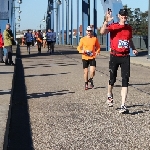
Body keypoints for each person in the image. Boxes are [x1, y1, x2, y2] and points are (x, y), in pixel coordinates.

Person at [100, 8, 138, 113]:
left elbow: (129, 40)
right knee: (112, 79)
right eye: (122, 15)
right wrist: (106, 21)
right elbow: (102, 32)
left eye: (125, 15)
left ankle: (123, 105)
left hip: (125, 56)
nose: (124, 16)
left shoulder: (129, 28)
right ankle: (109, 94)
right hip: (114, 56)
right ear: (119, 16)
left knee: (125, 79)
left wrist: (133, 48)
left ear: (127, 16)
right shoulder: (114, 26)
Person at [77, 26, 100, 90]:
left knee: (92, 71)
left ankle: (91, 79)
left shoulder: (94, 39)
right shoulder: (82, 39)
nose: (89, 32)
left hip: (92, 57)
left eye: (90, 31)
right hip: (85, 57)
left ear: (92, 31)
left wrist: (97, 52)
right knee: (86, 71)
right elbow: (79, 47)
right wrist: (81, 51)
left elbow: (98, 47)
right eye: (88, 31)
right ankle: (86, 83)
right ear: (86, 31)